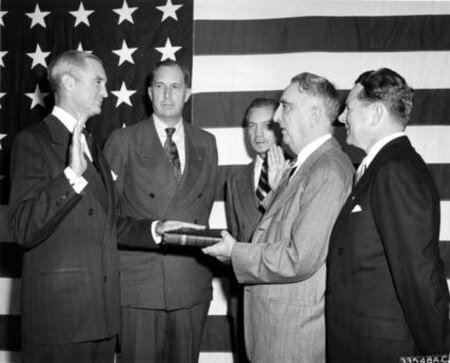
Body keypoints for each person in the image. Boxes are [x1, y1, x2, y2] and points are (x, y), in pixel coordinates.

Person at [8, 50, 198, 363]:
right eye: (98, 81)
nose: (105, 91)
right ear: (68, 83)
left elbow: (109, 222)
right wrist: (71, 177)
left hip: (102, 318)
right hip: (60, 323)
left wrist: (155, 229)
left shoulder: (93, 143)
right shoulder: (33, 141)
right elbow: (21, 228)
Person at [203, 72, 354, 362]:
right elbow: (286, 228)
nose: (276, 116)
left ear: (314, 115)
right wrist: (275, 194)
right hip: (277, 327)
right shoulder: (307, 165)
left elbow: (300, 256)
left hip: (292, 334)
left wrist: (236, 252)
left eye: (286, 106)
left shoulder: (327, 169)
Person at [326, 68, 450, 362]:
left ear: (375, 113)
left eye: (349, 109)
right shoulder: (382, 167)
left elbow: (418, 273)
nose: (342, 118)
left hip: (381, 351)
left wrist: (441, 354)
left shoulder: (394, 172)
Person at [103, 59, 218, 363]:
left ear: (187, 93)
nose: (167, 94)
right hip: (140, 284)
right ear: (149, 93)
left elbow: (202, 212)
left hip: (190, 281)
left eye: (175, 87)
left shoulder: (207, 142)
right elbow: (105, 220)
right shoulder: (122, 141)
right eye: (160, 86)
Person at [226, 97, 287, 243]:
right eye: (252, 126)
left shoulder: (299, 170)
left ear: (281, 126)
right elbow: (235, 240)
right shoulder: (235, 180)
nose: (258, 134)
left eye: (266, 125)